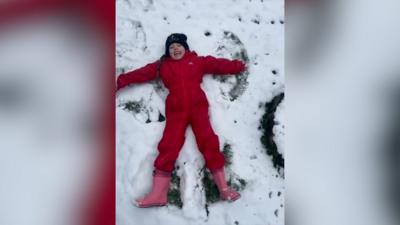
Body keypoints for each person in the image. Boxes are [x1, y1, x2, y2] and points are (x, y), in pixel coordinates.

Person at [117, 33, 246, 208]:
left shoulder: (197, 61)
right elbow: (140, 74)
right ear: (167, 51)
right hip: (176, 111)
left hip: (198, 108)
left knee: (209, 142)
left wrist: (237, 66)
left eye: (179, 46)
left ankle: (224, 188)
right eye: (171, 47)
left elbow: (217, 64)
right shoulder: (161, 66)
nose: (175, 49)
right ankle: (158, 194)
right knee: (169, 145)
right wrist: (120, 81)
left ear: (185, 48)